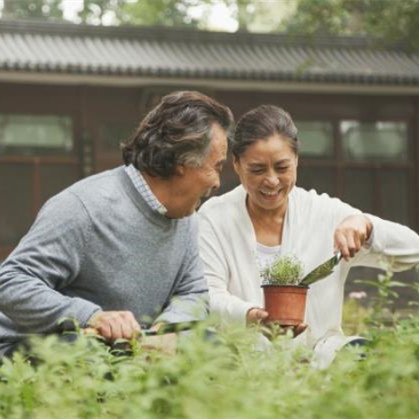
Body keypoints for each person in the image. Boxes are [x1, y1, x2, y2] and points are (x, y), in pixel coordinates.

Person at [0, 90, 233, 359]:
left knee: (219, 350)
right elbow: (10, 282)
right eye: (216, 166)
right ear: (182, 162)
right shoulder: (84, 207)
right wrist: (92, 317)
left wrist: (166, 329)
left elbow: (193, 292)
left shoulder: (186, 217)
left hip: (129, 349)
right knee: (92, 352)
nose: (217, 182)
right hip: (37, 351)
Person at [198, 105, 419, 368]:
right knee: (206, 345)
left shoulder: (324, 214)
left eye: (282, 167)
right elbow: (207, 294)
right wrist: (249, 315)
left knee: (370, 358)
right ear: (236, 165)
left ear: (296, 161)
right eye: (257, 169)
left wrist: (367, 225)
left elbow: (412, 249)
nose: (271, 180)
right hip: (243, 355)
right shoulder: (215, 217)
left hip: (321, 355)